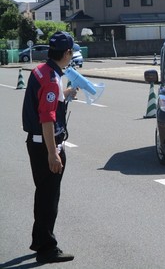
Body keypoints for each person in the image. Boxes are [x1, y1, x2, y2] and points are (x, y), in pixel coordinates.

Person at [22, 31, 77, 264]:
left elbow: (46, 100)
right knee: (48, 198)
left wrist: (66, 95)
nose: (72, 56)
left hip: (36, 143)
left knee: (43, 194)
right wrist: (53, 152)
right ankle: (46, 248)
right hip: (45, 145)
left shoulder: (42, 71)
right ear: (66, 53)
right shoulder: (52, 78)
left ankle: (39, 240)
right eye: (71, 52)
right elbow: (46, 117)